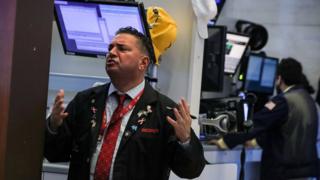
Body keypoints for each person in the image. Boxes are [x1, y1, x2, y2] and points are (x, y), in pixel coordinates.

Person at [44, 27, 205, 180]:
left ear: (143, 63)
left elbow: (191, 171)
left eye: (122, 49)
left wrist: (185, 140)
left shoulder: (165, 111)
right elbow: (54, 154)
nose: (111, 53)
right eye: (110, 48)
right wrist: (53, 126)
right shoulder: (85, 100)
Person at [212, 58, 318, 180]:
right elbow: (285, 130)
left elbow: (256, 123)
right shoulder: (308, 99)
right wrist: (255, 142)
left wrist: (226, 140)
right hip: (307, 172)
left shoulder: (283, 100)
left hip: (285, 172)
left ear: (279, 79)